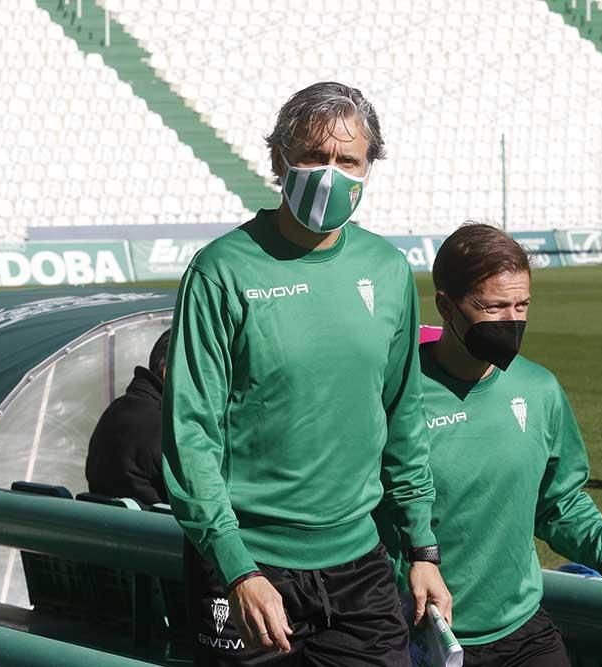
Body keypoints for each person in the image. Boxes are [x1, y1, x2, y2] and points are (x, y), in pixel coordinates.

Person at [162, 81, 450, 666]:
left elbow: (403, 420)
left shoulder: (388, 271)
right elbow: (189, 433)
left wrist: (422, 547)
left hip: (361, 566)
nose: (330, 173)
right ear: (279, 159)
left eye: (349, 161)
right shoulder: (222, 270)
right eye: (315, 156)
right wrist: (236, 567)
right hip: (249, 569)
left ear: (370, 168)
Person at [410, 223, 602, 666]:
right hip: (422, 639)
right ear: (445, 306)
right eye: (493, 307)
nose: (511, 321)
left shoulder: (539, 389)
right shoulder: (396, 395)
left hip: (524, 631)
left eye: (522, 305)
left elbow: (559, 504)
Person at [85, 329, 171, 506]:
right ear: (167, 372)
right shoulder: (166, 427)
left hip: (109, 528)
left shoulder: (115, 411)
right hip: (157, 531)